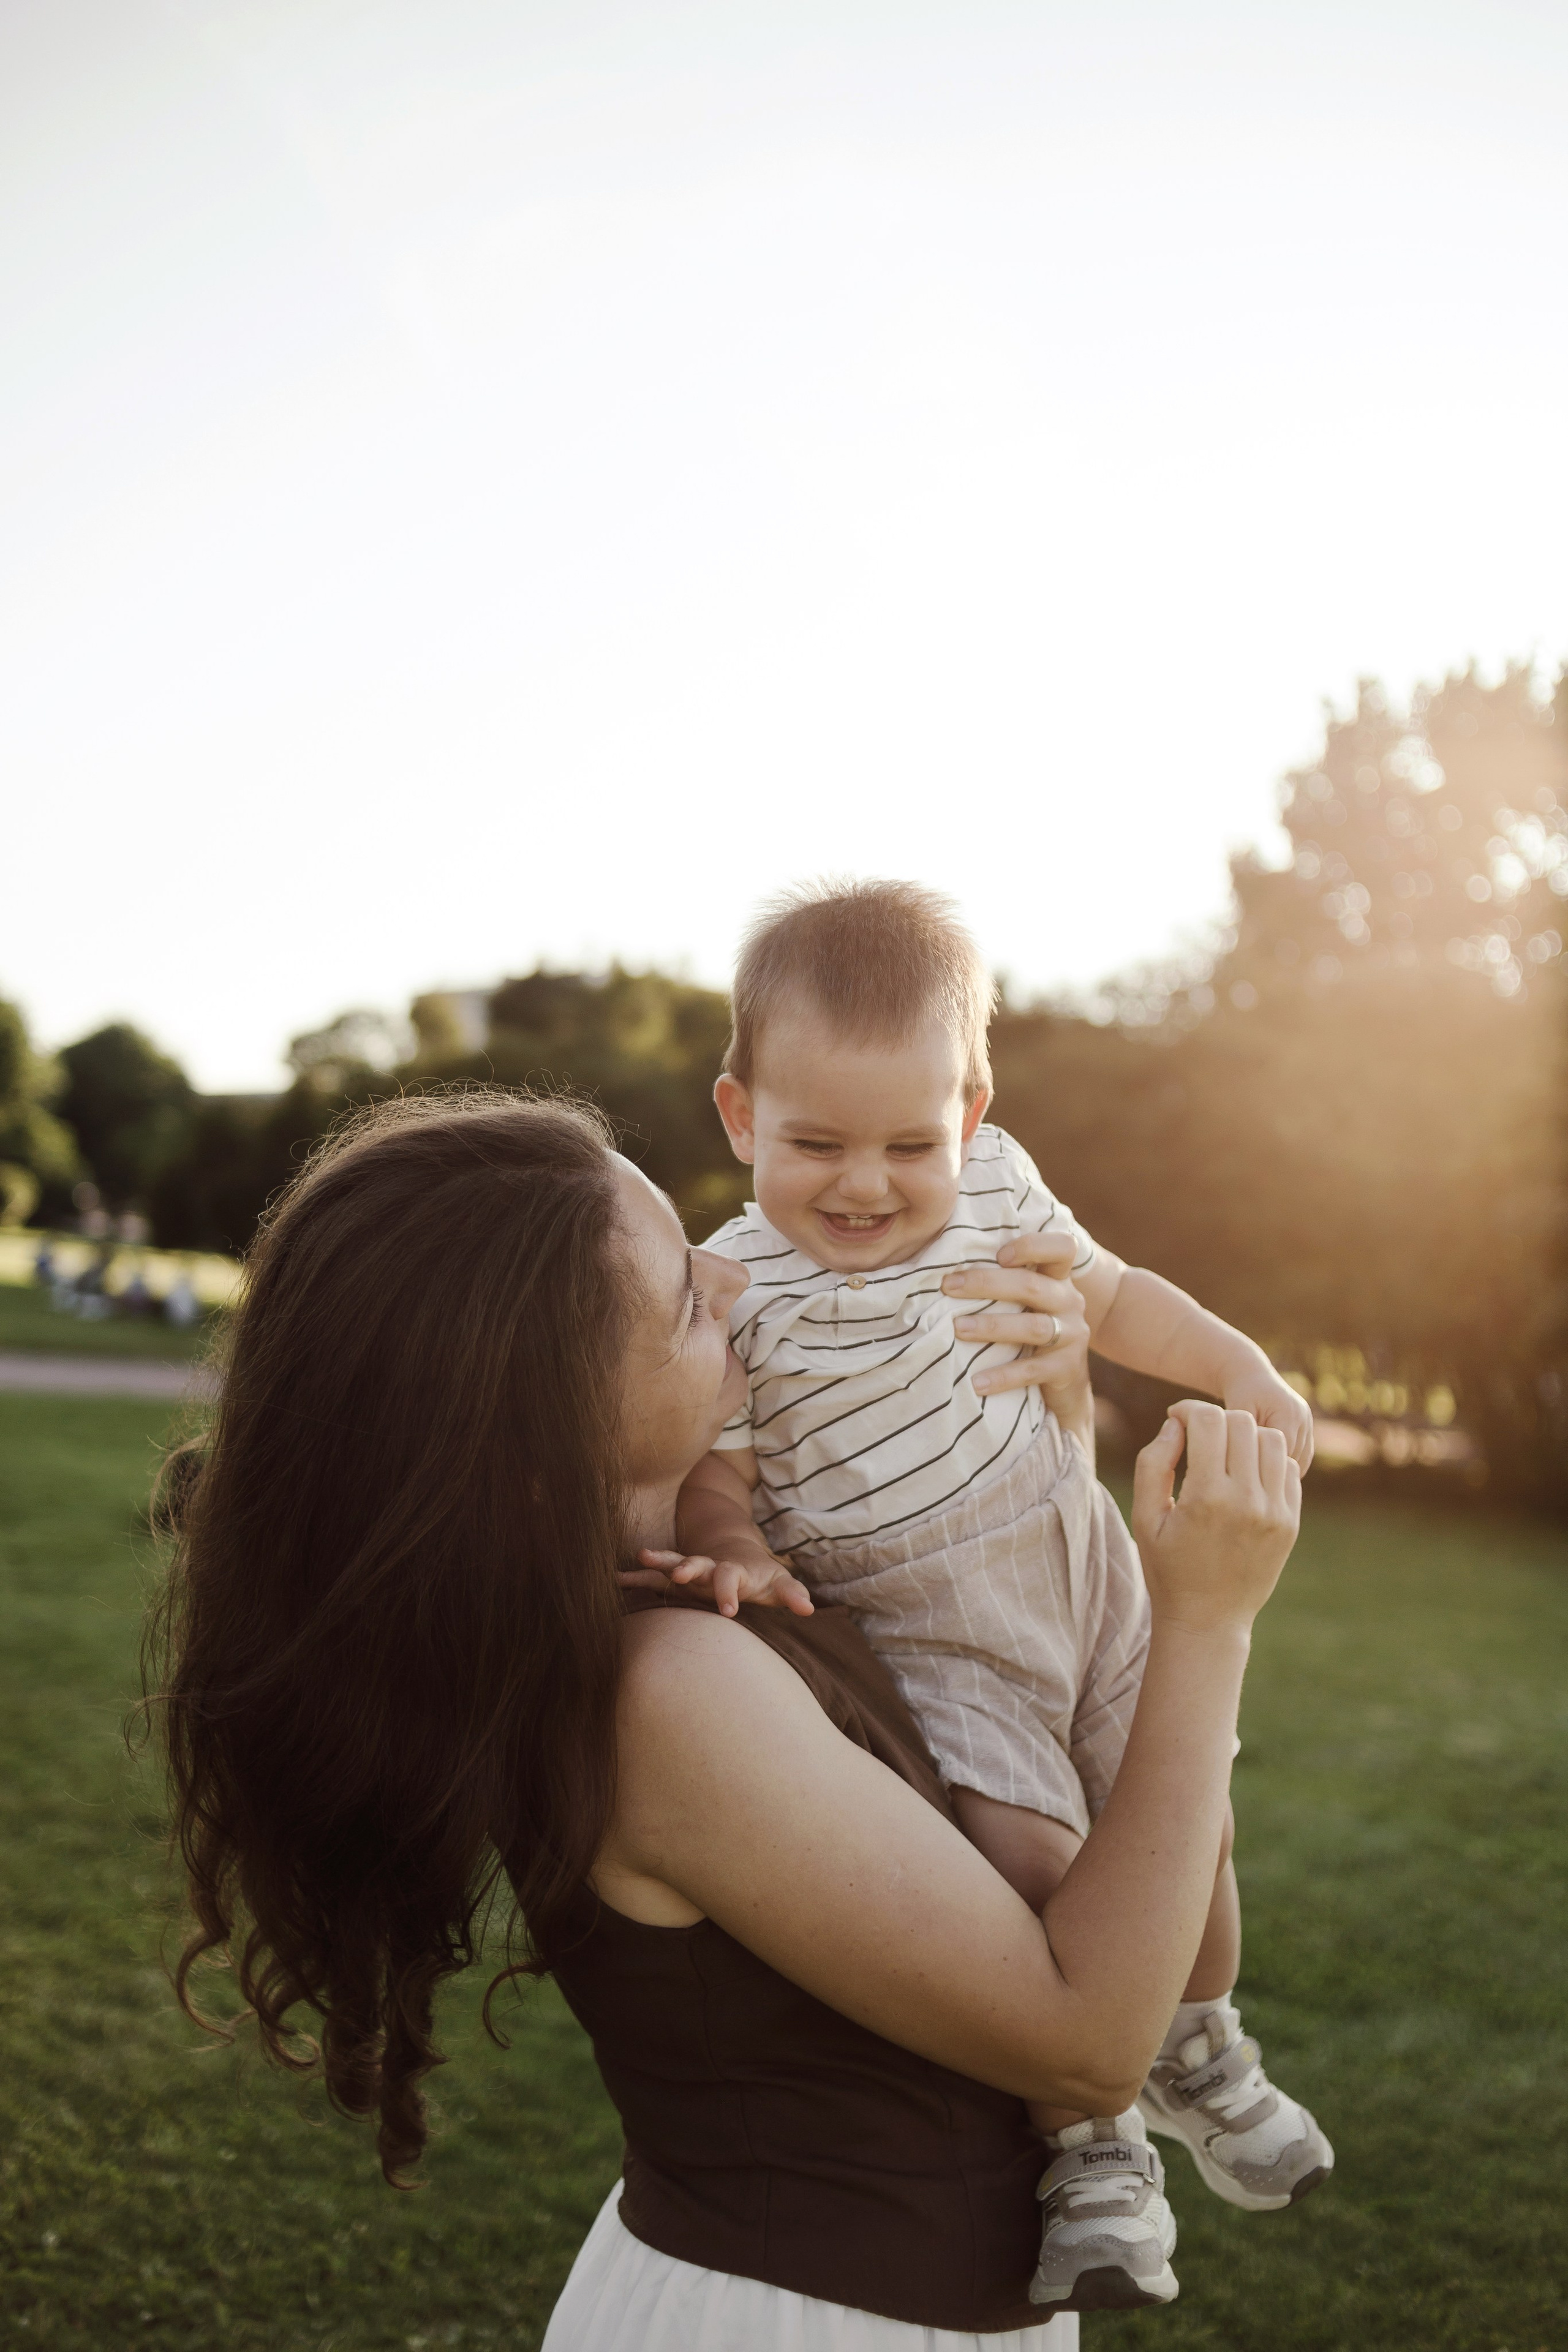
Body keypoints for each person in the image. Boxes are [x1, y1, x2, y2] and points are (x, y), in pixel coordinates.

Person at [146, 1092, 1301, 2348]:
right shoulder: (667, 1697)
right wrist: (1204, 1624)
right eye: (685, 1303)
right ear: (551, 1427)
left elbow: (984, 1596)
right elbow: (1085, 2046)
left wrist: (1037, 1402)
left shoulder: (714, 1571)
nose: (736, 1282)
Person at [656, 881, 1332, 2307]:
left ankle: (1200, 2046)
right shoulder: (734, 1291)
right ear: (738, 1118)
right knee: (1035, 1872)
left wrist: (1234, 1367)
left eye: (911, 1142)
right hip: (928, 1622)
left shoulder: (1006, 1192)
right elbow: (718, 1469)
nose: (863, 1183)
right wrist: (738, 1542)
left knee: (1184, 1824)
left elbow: (1114, 1296)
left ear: (970, 1115)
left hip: (1075, 1554)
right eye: (812, 1142)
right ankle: (1089, 2143)